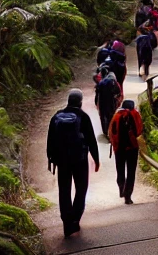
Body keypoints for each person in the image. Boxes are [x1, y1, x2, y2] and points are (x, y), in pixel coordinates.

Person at [46, 89, 100, 238]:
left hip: (62, 161)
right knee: (81, 189)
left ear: (68, 101)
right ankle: (75, 220)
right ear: (80, 102)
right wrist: (96, 159)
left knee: (64, 191)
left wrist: (51, 159)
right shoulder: (83, 117)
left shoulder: (56, 116)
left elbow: (50, 139)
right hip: (80, 160)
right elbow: (91, 140)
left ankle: (66, 223)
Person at [108, 99, 144, 204]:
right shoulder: (134, 114)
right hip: (132, 147)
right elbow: (139, 130)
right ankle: (128, 195)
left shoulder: (116, 116)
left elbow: (110, 132)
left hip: (119, 148)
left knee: (120, 169)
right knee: (131, 171)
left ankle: (121, 186)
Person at [95, 65, 122, 136]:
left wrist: (96, 102)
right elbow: (118, 91)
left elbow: (97, 94)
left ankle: (105, 131)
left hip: (102, 102)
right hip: (111, 101)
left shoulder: (101, 82)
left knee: (103, 116)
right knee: (111, 115)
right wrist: (118, 99)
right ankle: (111, 131)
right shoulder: (113, 78)